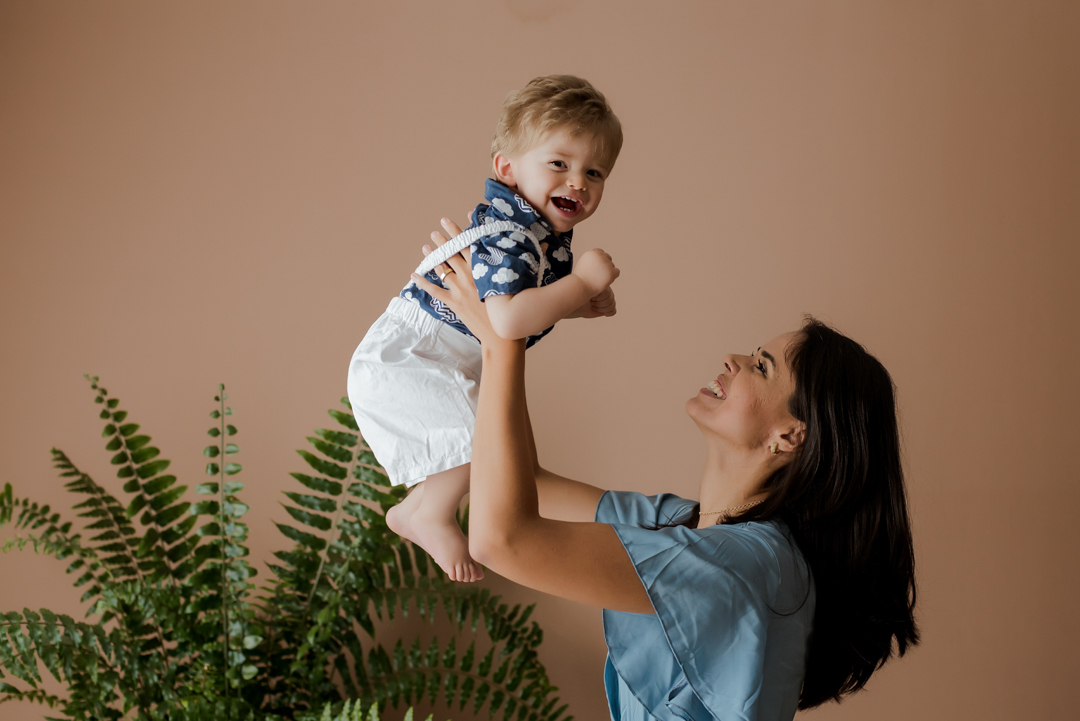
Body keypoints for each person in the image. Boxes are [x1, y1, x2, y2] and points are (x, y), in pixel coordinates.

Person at [409, 223, 919, 721]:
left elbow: (502, 539)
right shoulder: (683, 524)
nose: (734, 358)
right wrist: (489, 336)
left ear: (789, 435)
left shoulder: (748, 565)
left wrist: (504, 342)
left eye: (762, 366)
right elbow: (531, 488)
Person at [347, 75, 623, 582]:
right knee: (488, 445)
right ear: (507, 168)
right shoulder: (510, 234)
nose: (578, 182)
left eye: (595, 172)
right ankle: (425, 513)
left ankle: (420, 508)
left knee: (497, 451)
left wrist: (577, 303)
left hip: (435, 357)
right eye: (559, 164)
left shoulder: (542, 237)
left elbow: (522, 308)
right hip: (412, 360)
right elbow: (508, 320)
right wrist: (582, 282)